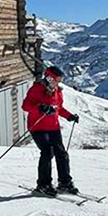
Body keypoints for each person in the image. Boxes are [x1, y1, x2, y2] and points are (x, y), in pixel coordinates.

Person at [22, 66, 80, 196]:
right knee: (47, 152)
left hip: (53, 127)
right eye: (56, 79)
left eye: (59, 79)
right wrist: (40, 108)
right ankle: (43, 184)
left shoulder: (57, 91)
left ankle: (65, 182)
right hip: (37, 127)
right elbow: (26, 106)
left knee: (62, 153)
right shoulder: (36, 89)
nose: (58, 82)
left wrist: (70, 116)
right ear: (49, 77)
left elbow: (59, 108)